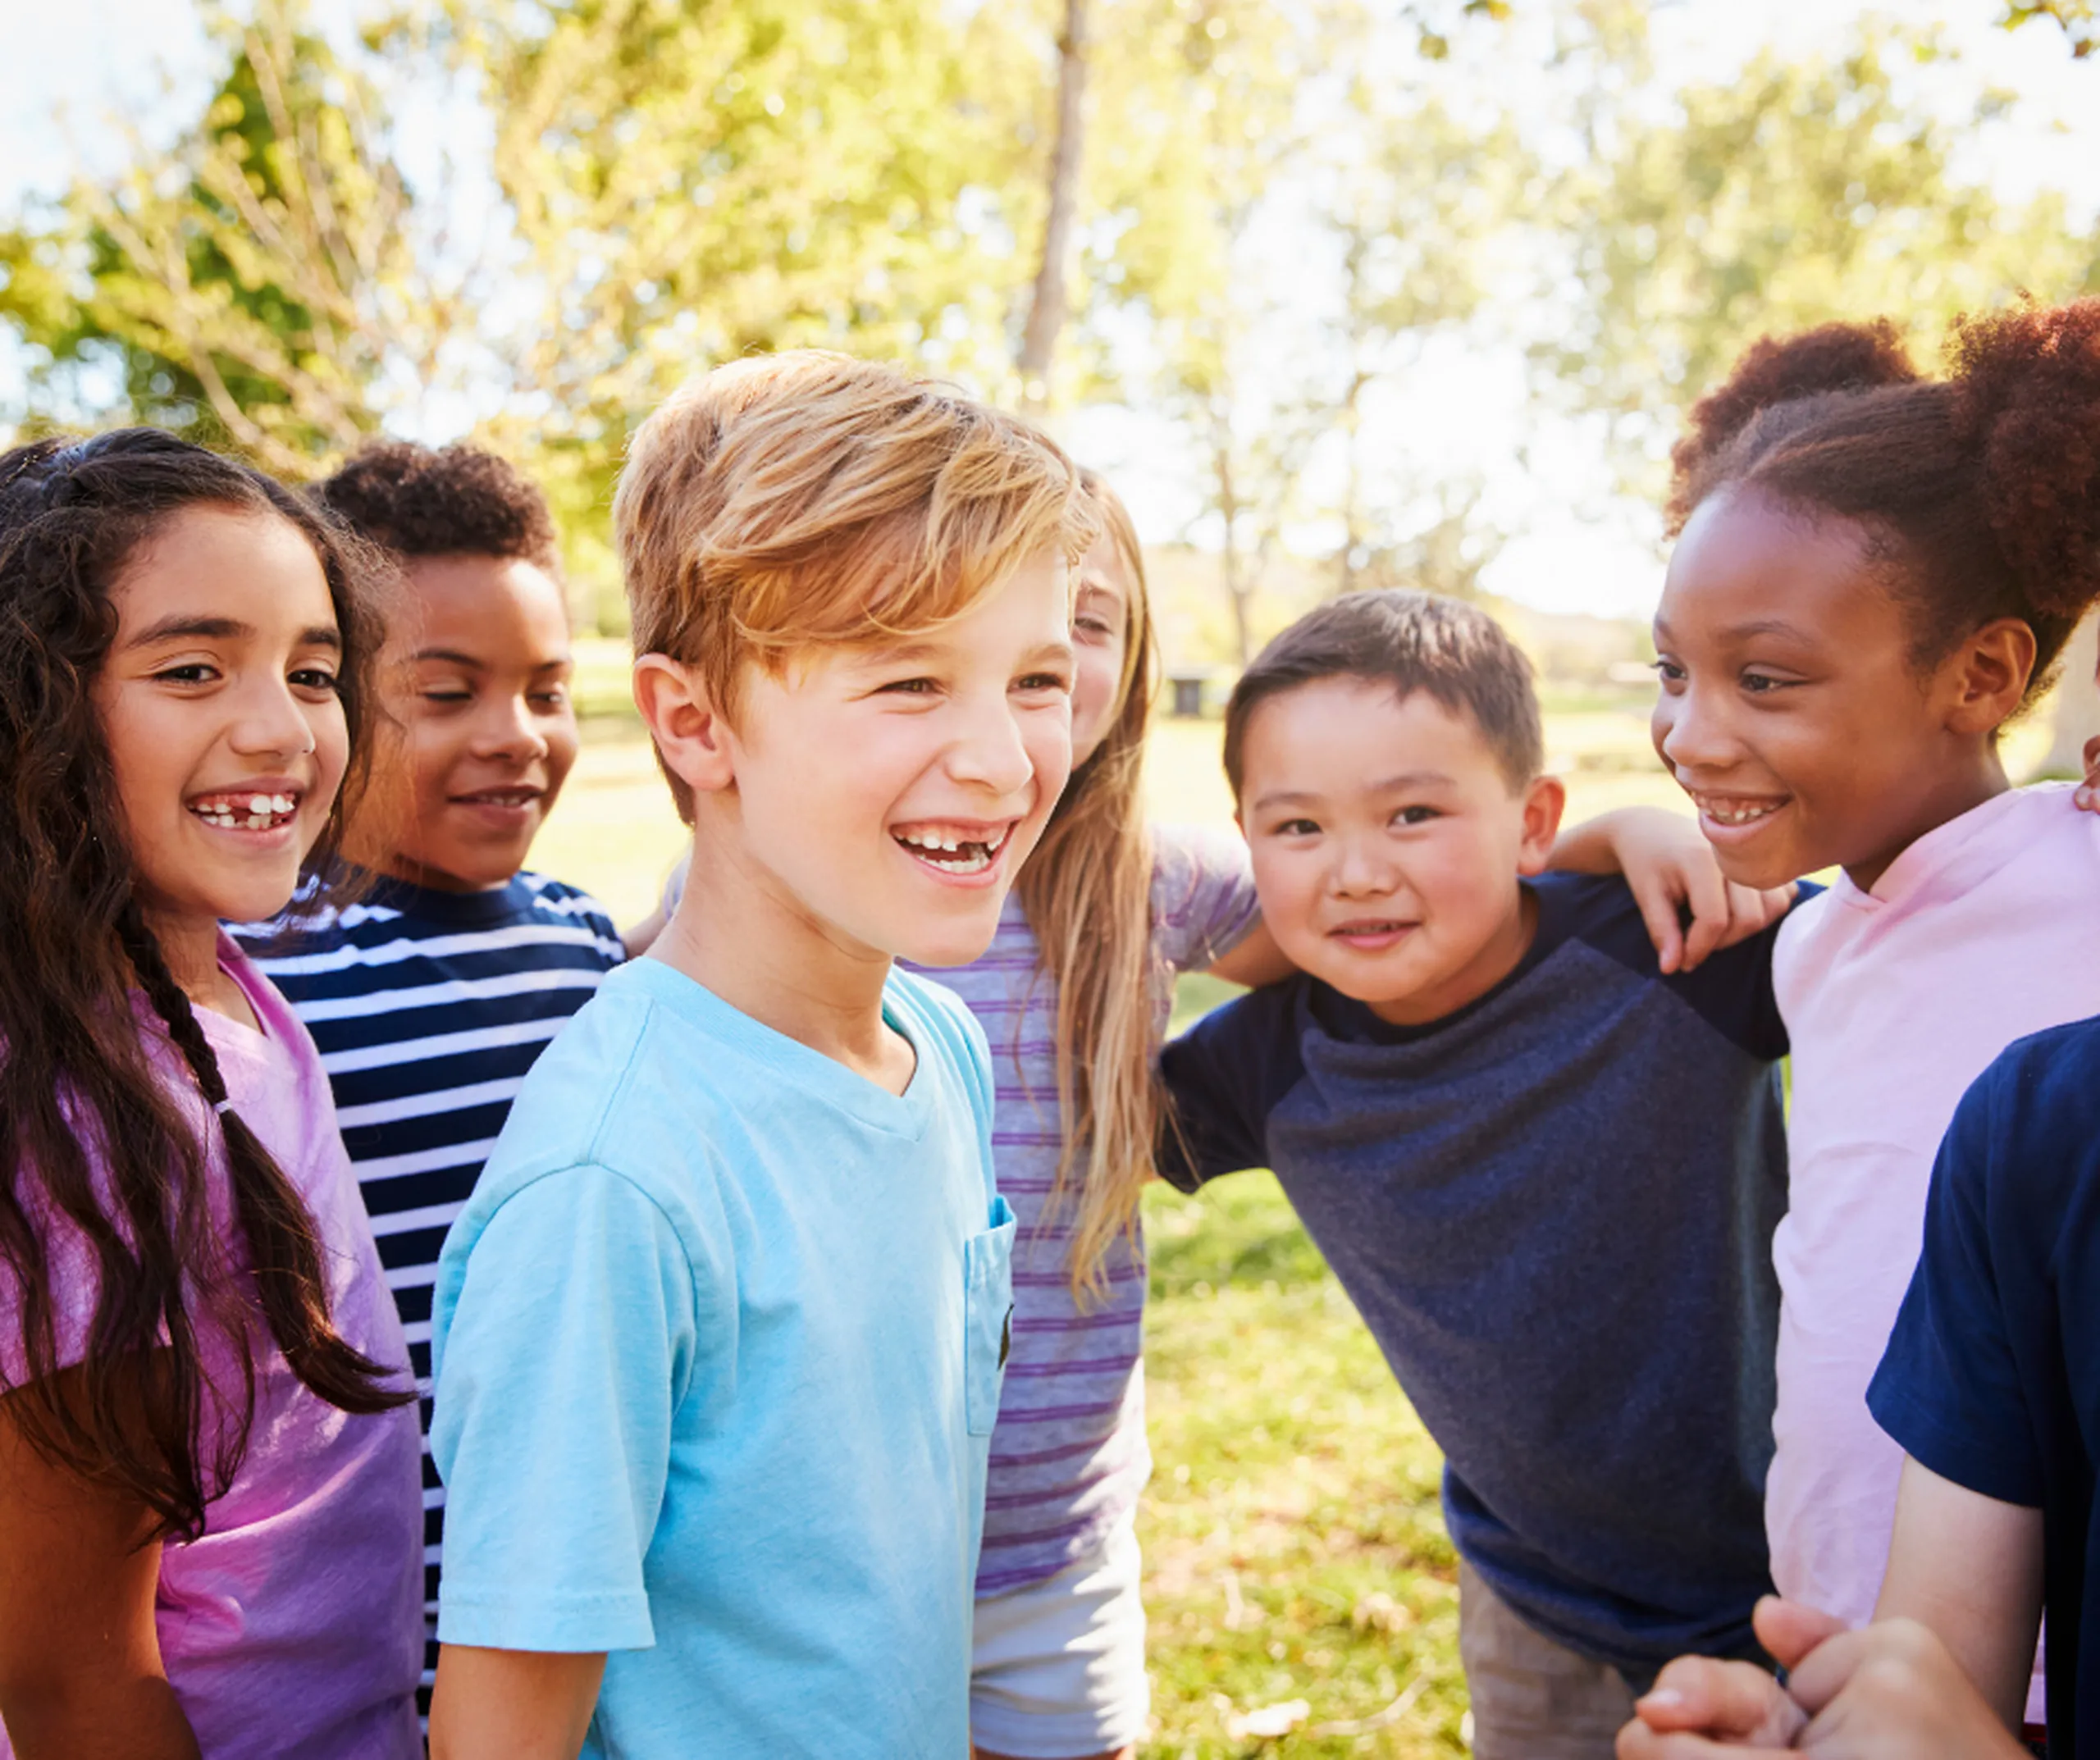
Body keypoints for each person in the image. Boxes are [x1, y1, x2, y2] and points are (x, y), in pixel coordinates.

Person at [423, 352, 1093, 1760]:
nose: (1002, 758)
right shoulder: (615, 1184)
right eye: (910, 681)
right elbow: (502, 1727)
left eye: (1036, 675)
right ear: (692, 720)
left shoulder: (940, 1043)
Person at [1155, 588, 1806, 1760]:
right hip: (1535, 1590)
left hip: (1803, 1564)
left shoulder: (1674, 947)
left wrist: (1659, 836)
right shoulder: (1266, 1065)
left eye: (1412, 813)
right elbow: (1056, 1128)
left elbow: (1916, 936)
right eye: (1296, 828)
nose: (1353, 871)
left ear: (1532, 819)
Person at [1647, 298, 2100, 1726]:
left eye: (1764, 679)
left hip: (2039, 1665)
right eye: (1675, 671)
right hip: (1839, 1620)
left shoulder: (2077, 875)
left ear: (1983, 676)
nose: (1691, 733)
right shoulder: (1817, 938)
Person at [0, 430, 423, 1757]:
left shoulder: (211, 970)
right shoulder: (80, 1132)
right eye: (193, 669)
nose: (279, 729)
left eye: (313, 671)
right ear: (34, 704)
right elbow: (74, 1686)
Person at [235, 440, 626, 1717]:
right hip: (337, 1617)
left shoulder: (582, 942)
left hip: (560, 1603)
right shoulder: (251, 967)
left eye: (548, 689)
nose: (516, 738)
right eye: (447, 692)